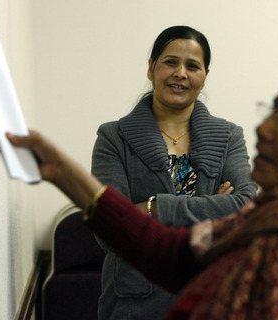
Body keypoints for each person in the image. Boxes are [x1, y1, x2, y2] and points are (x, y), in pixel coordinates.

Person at [8, 37, 278, 319]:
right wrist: (62, 173)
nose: (265, 128)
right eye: (275, 110)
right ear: (151, 68)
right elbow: (172, 253)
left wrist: (155, 205)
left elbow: (239, 200)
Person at [90, 25, 257, 319]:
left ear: (204, 77)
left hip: (211, 298)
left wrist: (154, 207)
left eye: (193, 66)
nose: (181, 73)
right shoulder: (113, 137)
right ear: (151, 67)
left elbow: (245, 209)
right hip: (135, 304)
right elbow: (110, 228)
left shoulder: (229, 136)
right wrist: (214, 207)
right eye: (170, 62)